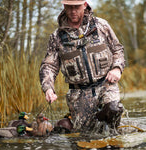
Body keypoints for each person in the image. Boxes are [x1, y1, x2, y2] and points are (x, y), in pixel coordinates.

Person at [39, 0, 125, 132]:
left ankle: (111, 132)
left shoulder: (101, 25)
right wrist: (48, 88)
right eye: (69, 7)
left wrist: (117, 68)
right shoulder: (57, 37)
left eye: (77, 7)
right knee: (86, 136)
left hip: (106, 85)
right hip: (78, 94)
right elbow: (49, 66)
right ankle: (92, 122)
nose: (73, 11)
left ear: (85, 5)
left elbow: (118, 50)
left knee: (114, 110)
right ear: (64, 6)